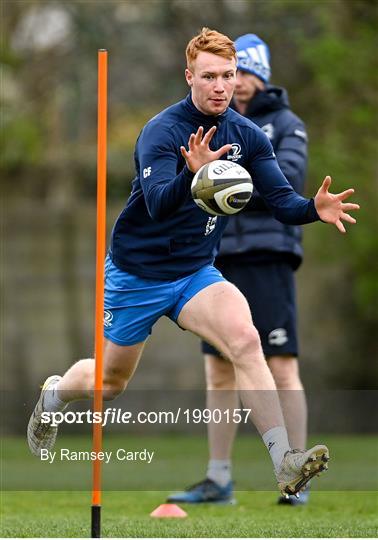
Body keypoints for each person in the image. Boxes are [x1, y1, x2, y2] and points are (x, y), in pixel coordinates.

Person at [27, 28, 359, 498]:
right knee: (109, 383)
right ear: (190, 77)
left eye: (229, 75)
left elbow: (281, 199)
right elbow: (160, 203)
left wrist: (312, 209)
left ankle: (284, 461)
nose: (221, 86)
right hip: (136, 275)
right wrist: (193, 171)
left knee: (246, 340)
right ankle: (55, 395)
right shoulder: (162, 131)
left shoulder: (245, 133)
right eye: (210, 76)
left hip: (195, 273)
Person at [167, 34, 313, 506]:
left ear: (260, 76)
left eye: (244, 73)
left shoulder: (284, 125)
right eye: (231, 74)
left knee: (282, 364)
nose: (238, 83)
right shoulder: (214, 123)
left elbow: (285, 187)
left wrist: (222, 184)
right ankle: (218, 478)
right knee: (219, 371)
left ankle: (297, 477)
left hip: (268, 256)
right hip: (218, 258)